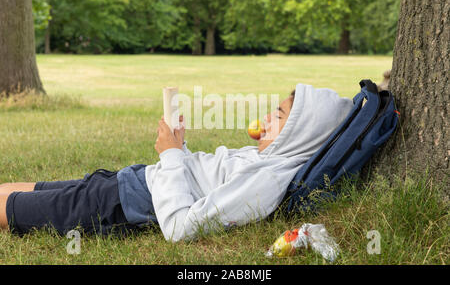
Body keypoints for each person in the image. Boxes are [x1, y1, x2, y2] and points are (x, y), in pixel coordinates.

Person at [0, 83, 353, 242]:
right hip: (130, 181)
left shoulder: (267, 182)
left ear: (300, 134)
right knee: (38, 190)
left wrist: (169, 155)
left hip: (121, 206)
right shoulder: (267, 157)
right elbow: (201, 179)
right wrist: (180, 149)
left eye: (277, 115)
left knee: (21, 208)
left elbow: (180, 228)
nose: (265, 118)